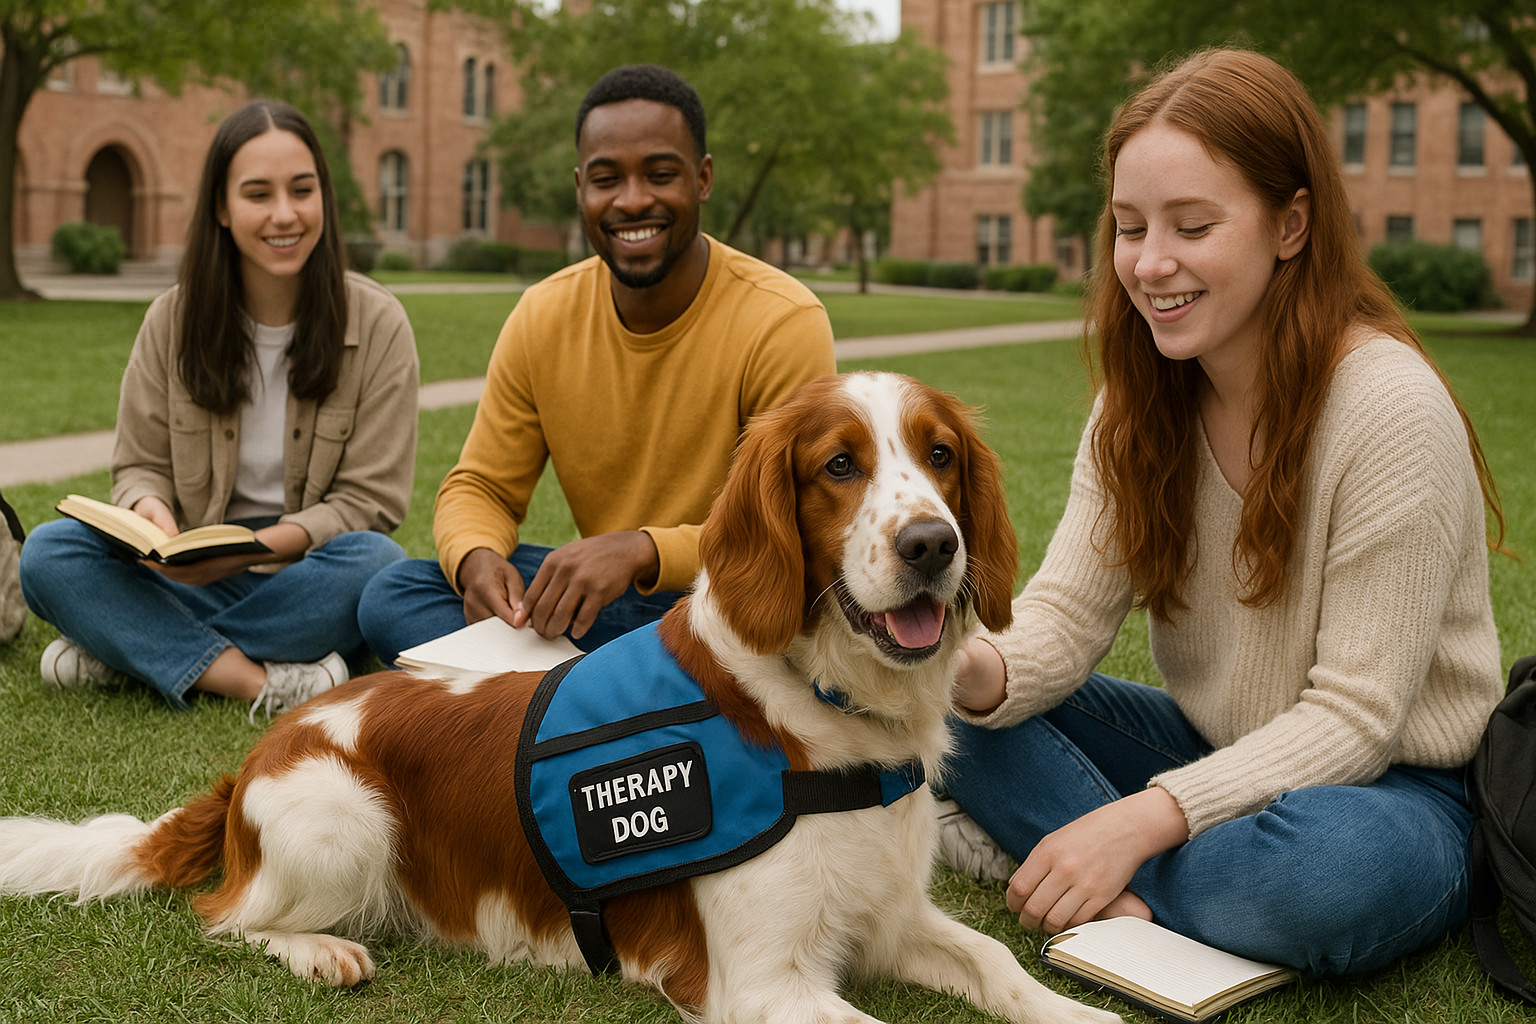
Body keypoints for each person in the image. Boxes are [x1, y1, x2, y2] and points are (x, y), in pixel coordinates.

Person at [937, 48, 1506, 978]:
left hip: (1392, 794)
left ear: (1291, 224)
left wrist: (1138, 819)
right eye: (1129, 228)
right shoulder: (1139, 399)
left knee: (1323, 879)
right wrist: (966, 668)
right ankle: (1114, 883)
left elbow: (1357, 720)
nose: (1150, 263)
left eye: (1193, 226)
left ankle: (1082, 864)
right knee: (932, 710)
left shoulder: (1389, 409)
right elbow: (1065, 620)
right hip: (1210, 747)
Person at [357, 64, 836, 663]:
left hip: (734, 607)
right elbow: (481, 486)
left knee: (778, 636)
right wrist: (477, 558)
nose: (633, 201)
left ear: (704, 179)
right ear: (581, 187)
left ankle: (553, 699)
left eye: (660, 175)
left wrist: (643, 550)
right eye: (607, 179)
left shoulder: (781, 319)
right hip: (610, 606)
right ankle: (596, 702)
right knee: (393, 594)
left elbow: (796, 519)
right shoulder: (543, 315)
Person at [19, 99, 418, 718]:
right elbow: (139, 468)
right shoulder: (171, 322)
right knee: (49, 553)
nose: (284, 214)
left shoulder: (380, 323)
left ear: (323, 199)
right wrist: (152, 513)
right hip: (179, 575)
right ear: (222, 209)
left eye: (302, 190)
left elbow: (369, 503)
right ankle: (262, 682)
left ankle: (128, 649)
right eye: (258, 194)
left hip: (301, 576)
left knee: (377, 568)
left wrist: (256, 547)